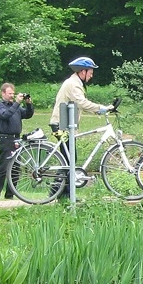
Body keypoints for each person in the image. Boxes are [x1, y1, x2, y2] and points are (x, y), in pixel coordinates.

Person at [48, 57, 115, 190]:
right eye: (90, 72)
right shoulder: (73, 84)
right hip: (62, 124)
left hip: (65, 123)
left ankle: (63, 193)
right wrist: (101, 108)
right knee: (69, 160)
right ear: (82, 71)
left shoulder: (75, 82)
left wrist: (98, 111)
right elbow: (81, 102)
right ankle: (59, 192)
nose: (91, 75)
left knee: (68, 159)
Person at [0, 83, 34, 199]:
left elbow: (28, 114)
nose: (12, 96)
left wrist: (29, 104)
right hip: (5, 139)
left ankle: (10, 195)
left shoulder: (16, 106)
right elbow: (6, 115)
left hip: (17, 139)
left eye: (13, 93)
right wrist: (17, 103)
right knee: (4, 167)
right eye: (9, 93)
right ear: (3, 93)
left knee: (16, 168)